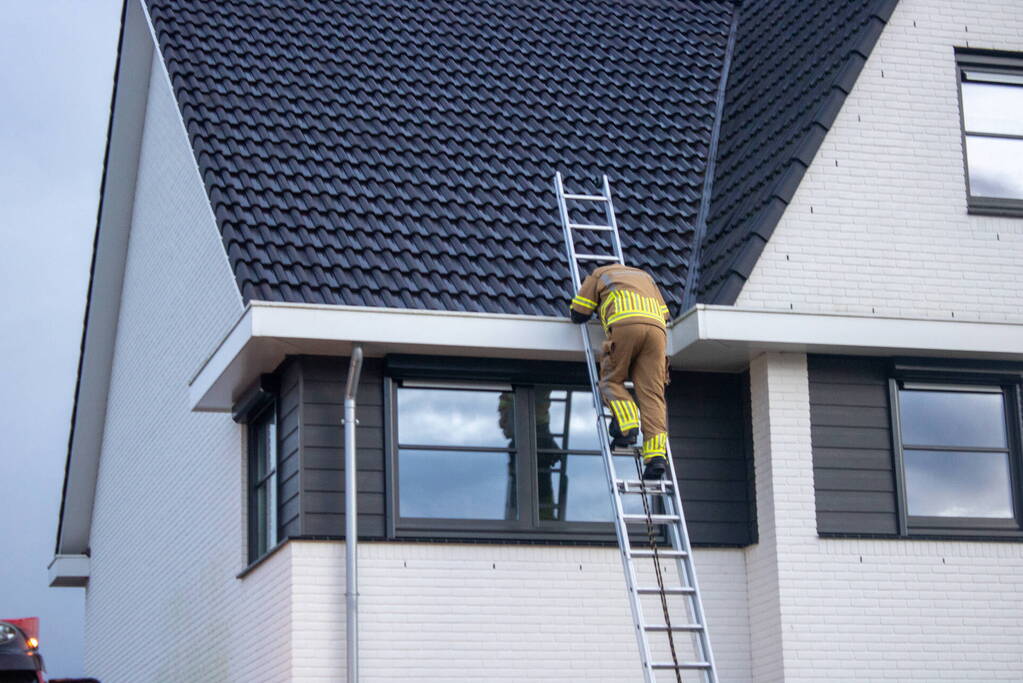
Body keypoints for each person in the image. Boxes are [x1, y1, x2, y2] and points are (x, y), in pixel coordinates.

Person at [569, 262, 671, 479]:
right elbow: (665, 314)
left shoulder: (599, 275)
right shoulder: (646, 277)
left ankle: (627, 425)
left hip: (625, 325)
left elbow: (579, 312)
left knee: (610, 381)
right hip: (657, 332)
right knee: (652, 395)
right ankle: (656, 457)